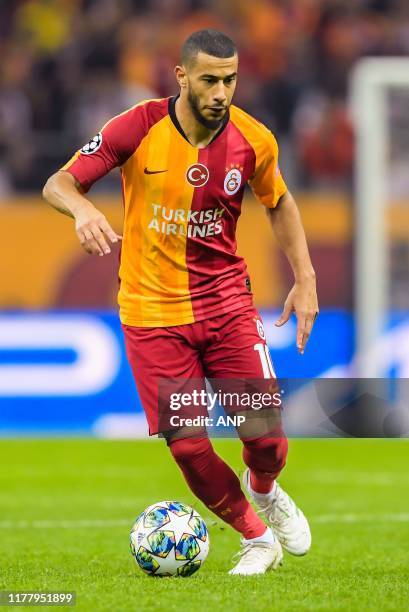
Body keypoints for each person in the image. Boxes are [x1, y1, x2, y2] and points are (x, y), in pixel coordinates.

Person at [43, 29, 318, 575]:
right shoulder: (138, 126)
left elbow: (279, 201)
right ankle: (257, 538)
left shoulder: (253, 140)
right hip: (151, 314)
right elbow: (59, 182)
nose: (222, 91)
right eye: (211, 79)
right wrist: (83, 210)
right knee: (189, 447)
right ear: (183, 76)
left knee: (269, 444)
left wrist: (304, 277)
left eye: (231, 79)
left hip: (226, 307)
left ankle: (263, 489)